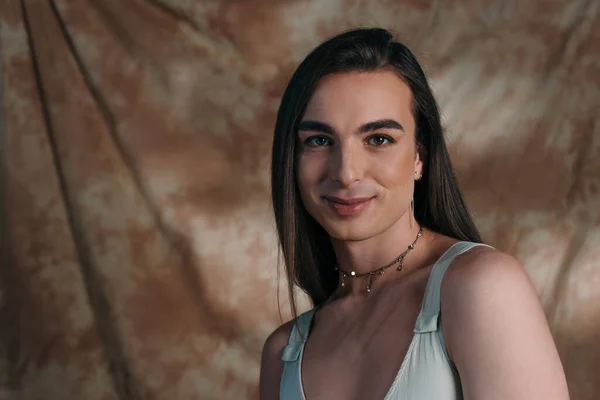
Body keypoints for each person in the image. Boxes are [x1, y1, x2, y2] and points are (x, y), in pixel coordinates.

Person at [259, 28, 569, 400]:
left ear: (420, 156)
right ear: (291, 160)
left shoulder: (481, 287)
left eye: (378, 139)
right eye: (320, 141)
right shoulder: (283, 354)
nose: (346, 172)